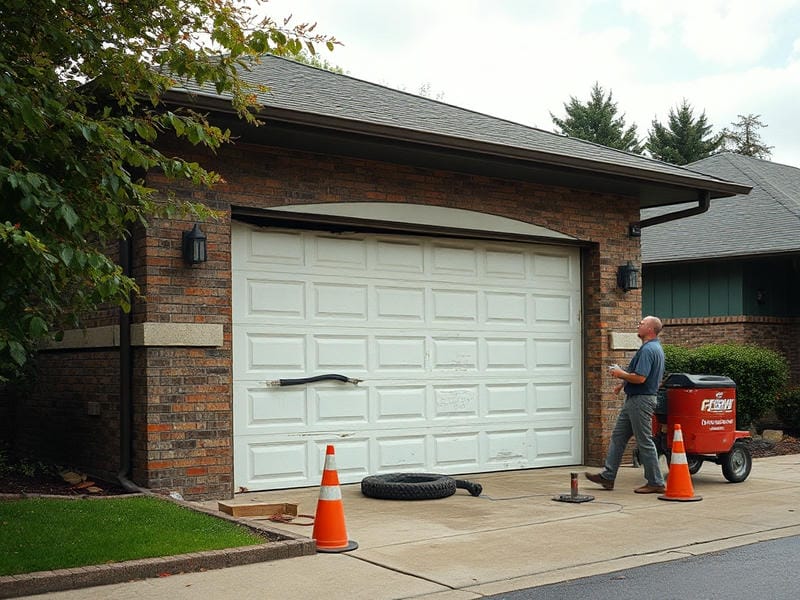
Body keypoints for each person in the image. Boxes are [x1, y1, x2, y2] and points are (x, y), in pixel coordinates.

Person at [586, 315, 666, 493]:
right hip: (635, 400)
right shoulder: (653, 348)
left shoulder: (648, 350)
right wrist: (622, 384)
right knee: (618, 437)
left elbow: (641, 377)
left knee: (644, 441)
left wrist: (620, 373)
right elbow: (640, 374)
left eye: (642, 324)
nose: (639, 325)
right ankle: (608, 477)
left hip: (641, 401)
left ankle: (656, 482)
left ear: (651, 330)